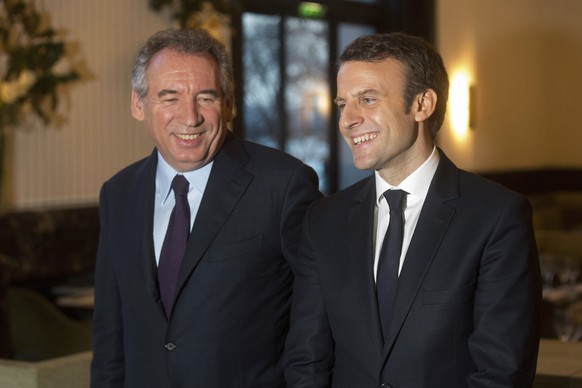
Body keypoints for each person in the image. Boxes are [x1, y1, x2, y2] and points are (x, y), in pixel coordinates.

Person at [284, 32, 541, 387]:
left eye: (368, 99)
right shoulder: (323, 220)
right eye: (343, 104)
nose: (347, 120)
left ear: (422, 104)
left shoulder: (497, 216)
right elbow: (306, 362)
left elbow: (502, 372)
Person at [90, 28, 321, 388]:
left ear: (227, 105)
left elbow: (317, 320)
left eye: (206, 97)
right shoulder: (117, 194)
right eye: (169, 97)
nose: (190, 116)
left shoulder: (283, 184)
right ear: (139, 105)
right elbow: (109, 337)